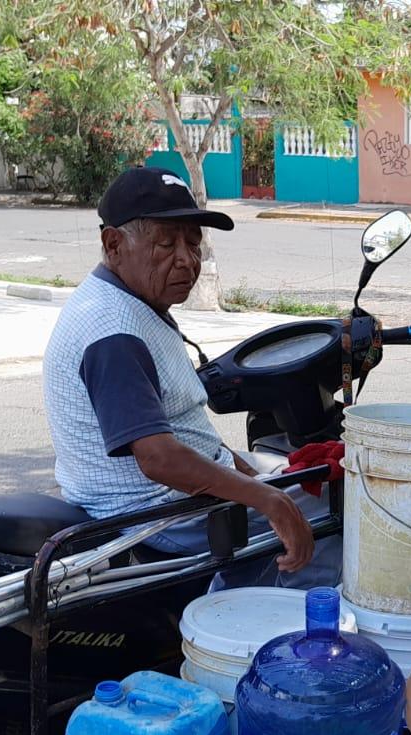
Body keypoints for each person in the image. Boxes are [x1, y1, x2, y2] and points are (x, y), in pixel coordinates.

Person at [43, 166, 340, 589]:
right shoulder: (112, 332)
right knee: (337, 509)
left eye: (193, 243)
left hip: (176, 502)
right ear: (114, 244)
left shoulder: (134, 303)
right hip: (155, 517)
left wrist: (256, 482)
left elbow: (188, 429)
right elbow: (159, 458)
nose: (186, 259)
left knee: (310, 479)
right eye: (166, 243)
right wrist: (268, 498)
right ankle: (286, 632)